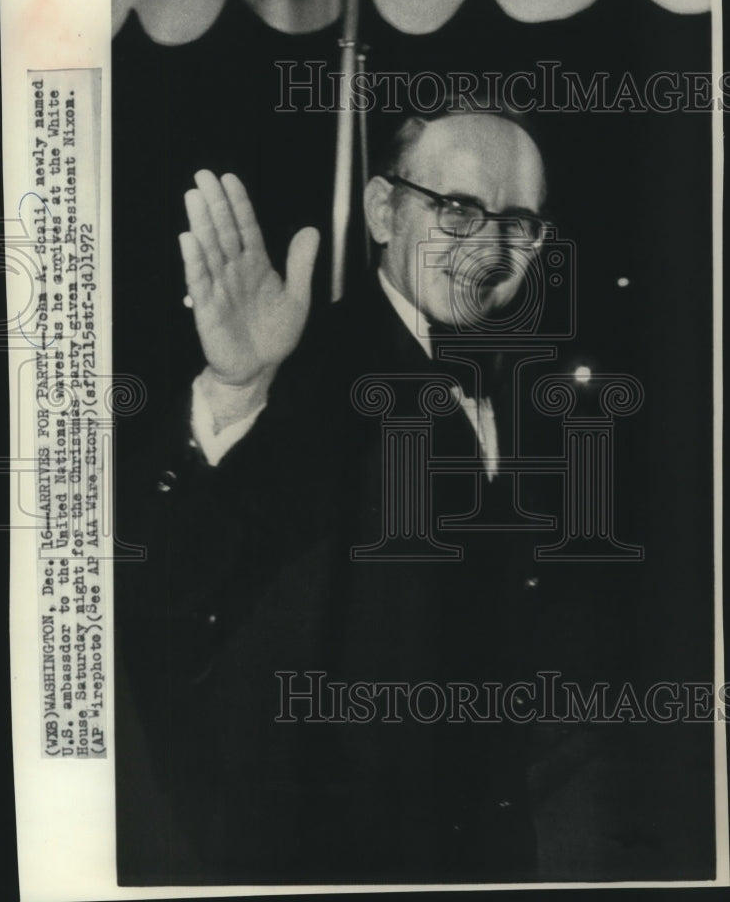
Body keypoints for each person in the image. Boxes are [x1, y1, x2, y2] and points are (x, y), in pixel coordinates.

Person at [116, 105, 556, 885]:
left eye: (516, 221)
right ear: (385, 211)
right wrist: (233, 391)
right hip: (326, 857)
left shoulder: (516, 385)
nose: (487, 247)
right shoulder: (310, 375)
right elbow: (166, 580)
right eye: (456, 210)